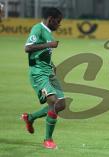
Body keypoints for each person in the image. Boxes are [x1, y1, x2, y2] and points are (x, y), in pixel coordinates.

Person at [22, 7, 65, 149]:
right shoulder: (38, 29)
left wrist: (52, 64)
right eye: (58, 22)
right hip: (38, 73)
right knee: (53, 100)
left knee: (61, 105)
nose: (59, 25)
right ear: (50, 19)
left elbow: (43, 54)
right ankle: (48, 140)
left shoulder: (49, 33)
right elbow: (27, 48)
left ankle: (30, 118)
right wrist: (49, 44)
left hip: (48, 72)